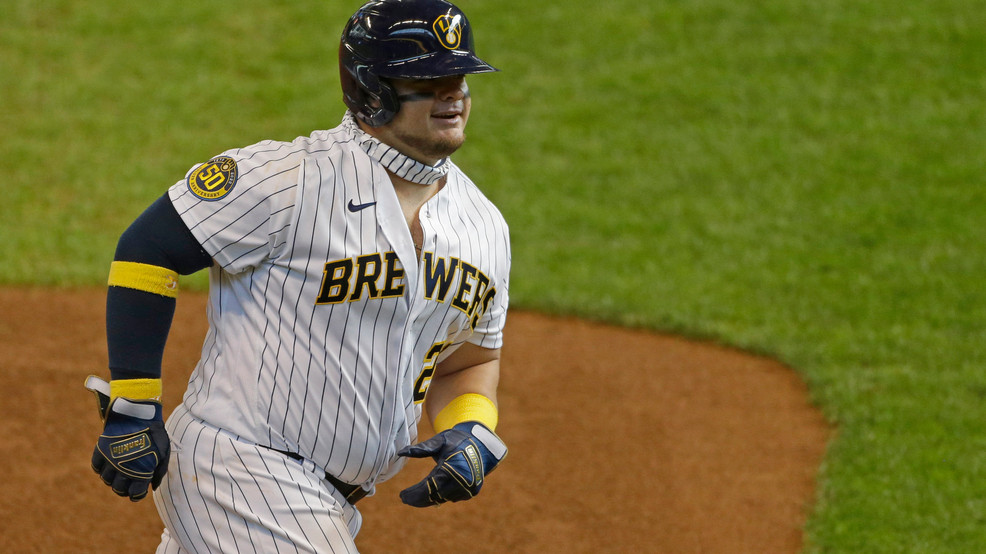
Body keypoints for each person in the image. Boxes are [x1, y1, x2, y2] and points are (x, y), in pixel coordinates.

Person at [85, 0, 510, 550]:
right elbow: (148, 248)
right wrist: (134, 405)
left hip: (330, 498)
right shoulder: (287, 180)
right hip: (235, 469)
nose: (453, 94)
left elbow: (469, 360)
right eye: (429, 80)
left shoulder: (485, 226)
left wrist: (474, 429)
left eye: (460, 78)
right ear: (372, 89)